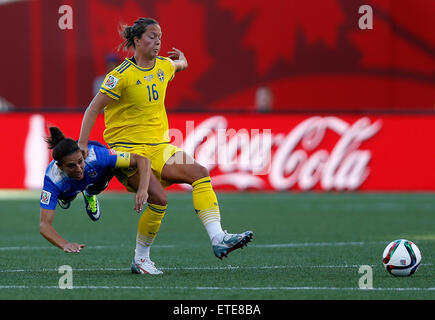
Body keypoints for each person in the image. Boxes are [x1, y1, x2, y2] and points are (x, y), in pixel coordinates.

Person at [78, 17, 253, 275]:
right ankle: (140, 259)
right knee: (159, 199)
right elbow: (93, 108)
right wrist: (83, 143)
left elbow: (179, 65)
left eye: (159, 36)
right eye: (151, 36)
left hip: (161, 148)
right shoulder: (120, 77)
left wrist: (182, 60)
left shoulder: (163, 66)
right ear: (136, 41)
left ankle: (218, 238)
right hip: (130, 152)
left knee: (200, 173)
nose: (157, 41)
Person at [39, 127, 151, 253]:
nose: (79, 169)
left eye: (80, 162)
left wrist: (142, 189)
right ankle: (65, 198)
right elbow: (44, 225)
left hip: (94, 173)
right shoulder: (52, 180)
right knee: (66, 195)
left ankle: (90, 194)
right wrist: (65, 244)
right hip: (67, 187)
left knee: (109, 170)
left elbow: (142, 160)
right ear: (59, 166)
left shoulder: (97, 155)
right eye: (71, 166)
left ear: (83, 155)